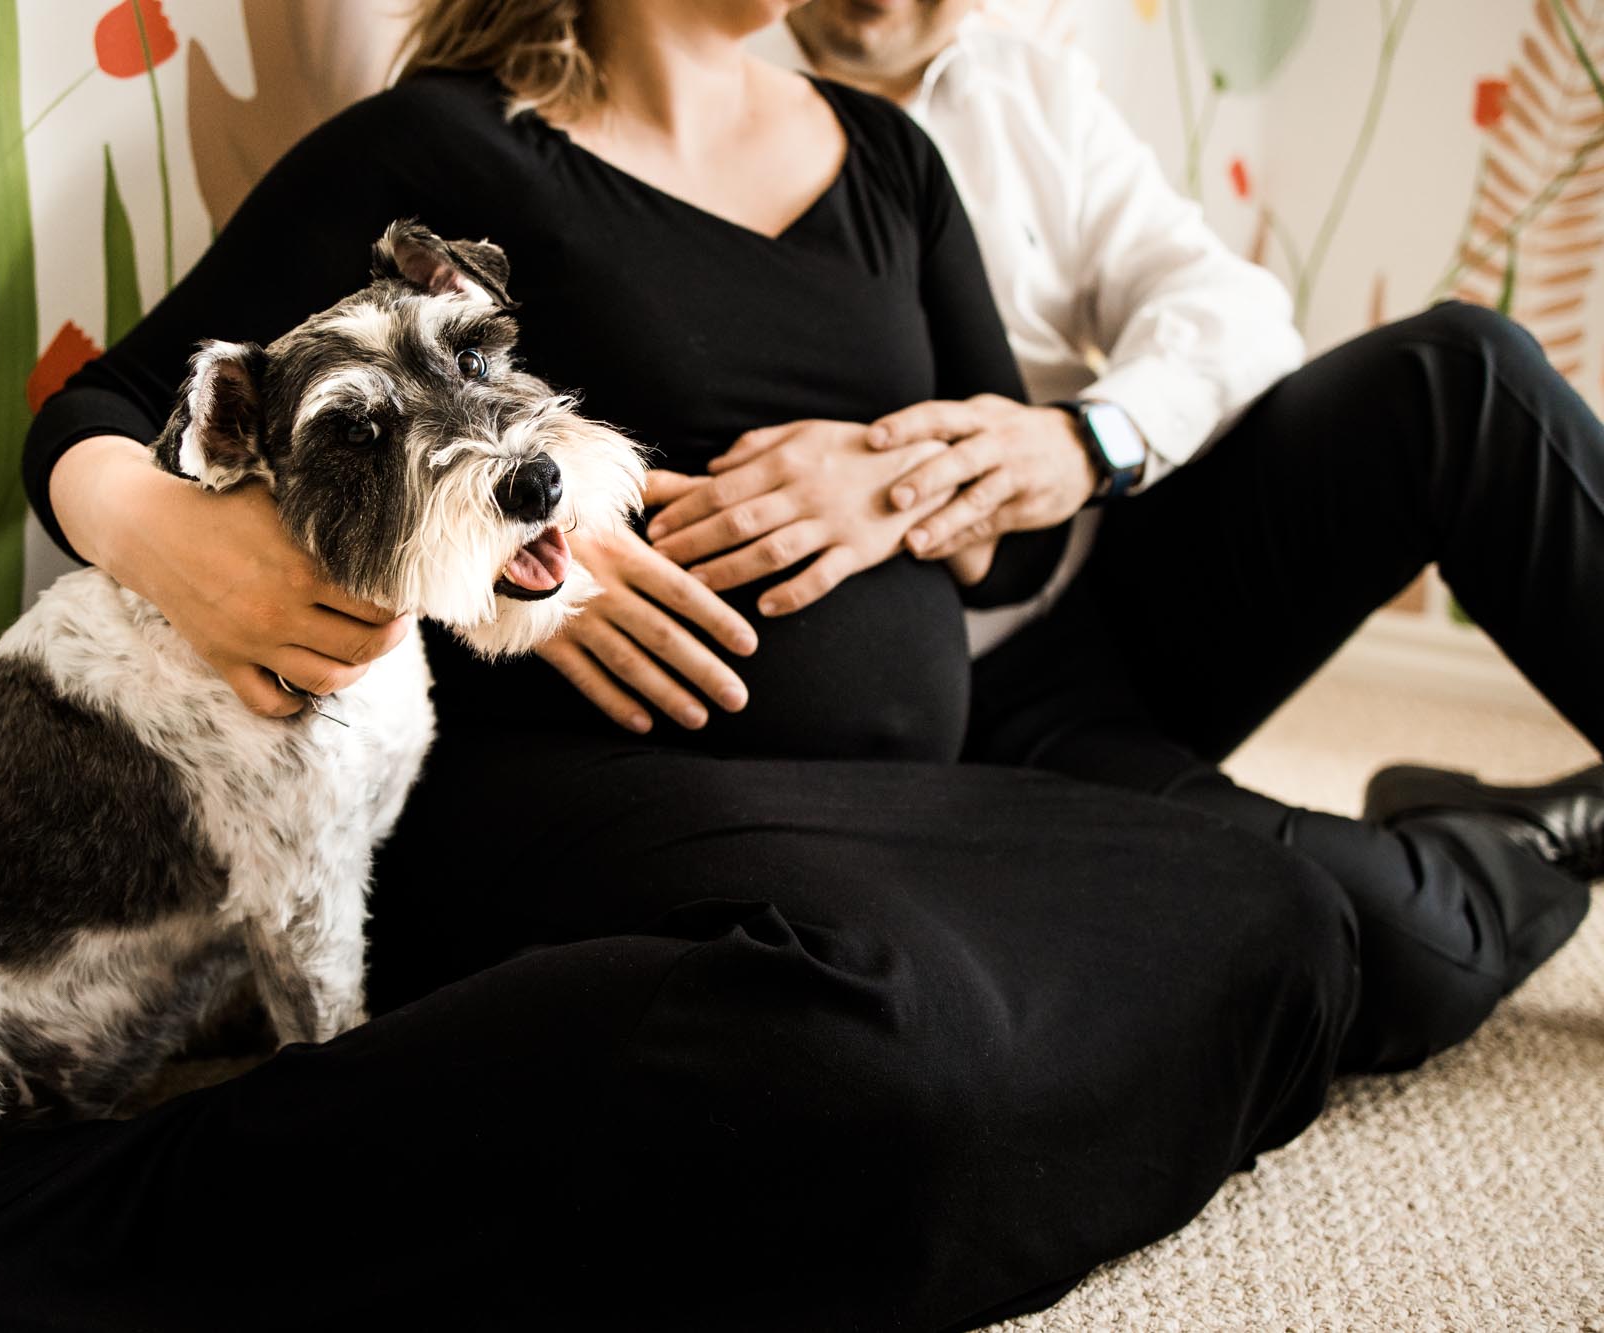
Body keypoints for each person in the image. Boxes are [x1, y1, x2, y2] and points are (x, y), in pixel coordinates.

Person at [0, 3, 1534, 1329]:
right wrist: (182, 542)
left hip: (909, 796)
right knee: (886, 1058)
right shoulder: (446, 151)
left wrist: (925, 476)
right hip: (563, 805)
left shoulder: (892, 160)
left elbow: (1008, 554)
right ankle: (122, 1212)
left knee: (1290, 924)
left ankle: (1513, 842)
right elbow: (102, 411)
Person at [635, 0, 1604, 1072]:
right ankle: (1512, 833)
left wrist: (1080, 439)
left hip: (1121, 584)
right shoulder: (665, 100)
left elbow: (1227, 307)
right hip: (960, 723)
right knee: (1400, 948)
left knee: (1457, 374)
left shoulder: (1027, 93)